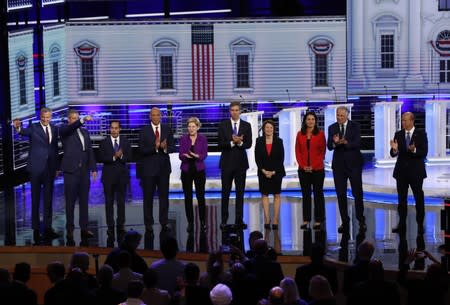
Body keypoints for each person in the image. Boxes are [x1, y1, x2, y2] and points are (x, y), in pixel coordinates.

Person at [13, 108, 61, 244]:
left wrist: (56, 167)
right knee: (35, 199)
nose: (45, 119)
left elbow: (55, 150)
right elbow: (23, 132)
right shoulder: (33, 127)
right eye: (43, 117)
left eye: (48, 117)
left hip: (49, 169)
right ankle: (35, 229)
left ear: (51, 117)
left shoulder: (54, 128)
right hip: (36, 169)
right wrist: (17, 127)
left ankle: (47, 227)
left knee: (48, 199)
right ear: (40, 116)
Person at [59, 109, 97, 246]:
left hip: (84, 172)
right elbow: (71, 128)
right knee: (70, 202)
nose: (75, 120)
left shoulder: (85, 132)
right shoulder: (64, 131)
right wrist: (81, 121)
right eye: (73, 118)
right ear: (69, 119)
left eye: (77, 118)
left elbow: (89, 151)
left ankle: (84, 228)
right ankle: (69, 229)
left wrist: (93, 168)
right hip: (71, 171)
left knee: (84, 202)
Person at [327, 106, 365, 233]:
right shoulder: (332, 128)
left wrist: (344, 142)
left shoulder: (355, 126)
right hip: (339, 166)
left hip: (354, 164)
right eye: (337, 115)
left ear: (347, 115)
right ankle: (345, 221)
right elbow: (329, 146)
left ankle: (361, 220)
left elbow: (358, 143)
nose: (339, 118)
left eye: (341, 116)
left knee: (357, 193)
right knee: (341, 195)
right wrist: (335, 143)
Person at [390, 112, 428, 234]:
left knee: (419, 199)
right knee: (402, 200)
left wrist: (415, 150)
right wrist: (394, 150)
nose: (404, 123)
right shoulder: (398, 134)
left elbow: (424, 152)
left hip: (416, 172)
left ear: (412, 121)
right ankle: (401, 224)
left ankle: (420, 225)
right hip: (401, 173)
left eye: (406, 120)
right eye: (402, 120)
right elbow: (393, 153)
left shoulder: (421, 134)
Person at [139, 107, 175, 233]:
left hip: (164, 169)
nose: (155, 117)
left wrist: (164, 148)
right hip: (148, 170)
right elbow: (141, 150)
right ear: (150, 116)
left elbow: (172, 147)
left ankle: (164, 222)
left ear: (161, 116)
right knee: (148, 197)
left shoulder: (167, 129)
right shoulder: (144, 131)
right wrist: (155, 148)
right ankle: (148, 223)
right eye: (153, 115)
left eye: (157, 115)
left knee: (164, 197)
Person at [218, 101, 252, 229]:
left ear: (240, 111)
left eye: (237, 110)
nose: (234, 112)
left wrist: (240, 143)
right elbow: (220, 143)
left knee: (240, 193)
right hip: (226, 163)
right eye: (232, 110)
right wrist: (233, 142)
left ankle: (239, 219)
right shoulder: (223, 125)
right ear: (229, 111)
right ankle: (224, 220)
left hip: (241, 164)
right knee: (225, 193)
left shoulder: (246, 126)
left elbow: (248, 143)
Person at [98, 120, 132, 246]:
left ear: (120, 129)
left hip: (122, 178)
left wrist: (121, 157)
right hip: (108, 178)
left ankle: (121, 225)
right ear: (109, 129)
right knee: (109, 203)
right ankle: (110, 226)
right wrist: (114, 157)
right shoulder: (104, 142)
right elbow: (101, 157)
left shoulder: (125, 142)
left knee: (121, 202)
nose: (114, 130)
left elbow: (130, 156)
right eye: (112, 128)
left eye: (116, 128)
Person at [295, 111, 326, 230]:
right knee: (306, 195)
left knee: (318, 194)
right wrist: (303, 166)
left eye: (313, 119)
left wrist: (313, 166)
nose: (310, 121)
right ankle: (306, 219)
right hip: (303, 170)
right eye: (308, 119)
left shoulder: (320, 134)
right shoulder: (299, 134)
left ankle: (319, 220)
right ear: (305, 121)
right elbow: (297, 151)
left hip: (317, 169)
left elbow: (322, 153)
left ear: (316, 121)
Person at [255, 120, 286, 230]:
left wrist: (273, 172)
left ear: (274, 129)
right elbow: (257, 158)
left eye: (271, 128)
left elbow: (281, 158)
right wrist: (264, 171)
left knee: (277, 195)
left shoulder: (279, 141)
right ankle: (267, 219)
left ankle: (276, 219)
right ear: (264, 129)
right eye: (267, 127)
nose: (269, 129)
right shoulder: (258, 141)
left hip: (276, 172)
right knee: (265, 195)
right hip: (263, 172)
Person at [179, 117, 208, 233]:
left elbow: (205, 154)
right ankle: (190, 222)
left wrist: (197, 156)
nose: (191, 129)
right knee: (188, 197)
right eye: (189, 126)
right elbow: (180, 155)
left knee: (200, 197)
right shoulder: (183, 139)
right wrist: (185, 156)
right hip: (186, 170)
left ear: (198, 127)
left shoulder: (202, 139)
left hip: (199, 170)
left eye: (193, 126)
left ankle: (202, 222)